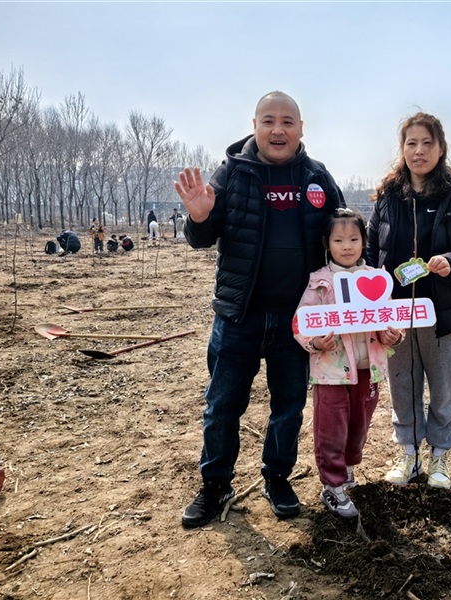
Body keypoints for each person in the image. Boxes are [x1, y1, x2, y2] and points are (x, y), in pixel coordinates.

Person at [173, 91, 346, 528]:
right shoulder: (232, 174)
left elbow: (344, 242)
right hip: (238, 317)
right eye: (269, 120)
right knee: (222, 406)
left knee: (288, 407)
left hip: (297, 321)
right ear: (254, 125)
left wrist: (349, 305)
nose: (278, 129)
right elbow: (202, 237)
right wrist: (198, 217)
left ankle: (277, 478)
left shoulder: (317, 178)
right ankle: (215, 484)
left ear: (301, 129)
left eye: (288, 121)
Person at [366, 112, 451, 490]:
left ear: (440, 148)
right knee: (403, 384)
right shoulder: (388, 197)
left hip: (442, 311)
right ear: (402, 150)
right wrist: (369, 296)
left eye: (427, 143)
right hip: (397, 312)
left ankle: (440, 456)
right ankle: (409, 454)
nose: (419, 151)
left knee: (444, 385)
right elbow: (372, 252)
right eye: (411, 143)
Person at [293, 208, 404, 518]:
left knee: (359, 426)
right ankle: (332, 484)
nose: (346, 246)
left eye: (353, 238)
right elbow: (300, 322)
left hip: (367, 370)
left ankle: (348, 471)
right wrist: (314, 343)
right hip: (331, 372)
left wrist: (393, 334)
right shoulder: (320, 282)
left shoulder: (376, 279)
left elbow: (389, 316)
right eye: (338, 239)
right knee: (331, 428)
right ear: (327, 243)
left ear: (364, 241)